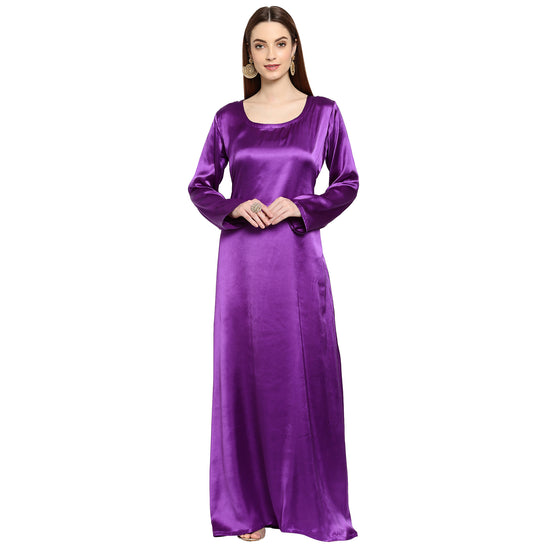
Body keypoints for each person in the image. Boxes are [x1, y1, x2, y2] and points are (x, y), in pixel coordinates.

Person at [188, 6, 359, 543]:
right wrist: (233, 207)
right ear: (248, 56)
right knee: (244, 376)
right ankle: (245, 508)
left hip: (298, 264)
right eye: (259, 45)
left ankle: (312, 508)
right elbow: (200, 185)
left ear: (294, 50)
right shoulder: (227, 119)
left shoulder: (324, 114)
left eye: (280, 43)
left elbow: (348, 182)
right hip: (241, 269)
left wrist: (301, 206)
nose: (270, 55)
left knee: (303, 374)